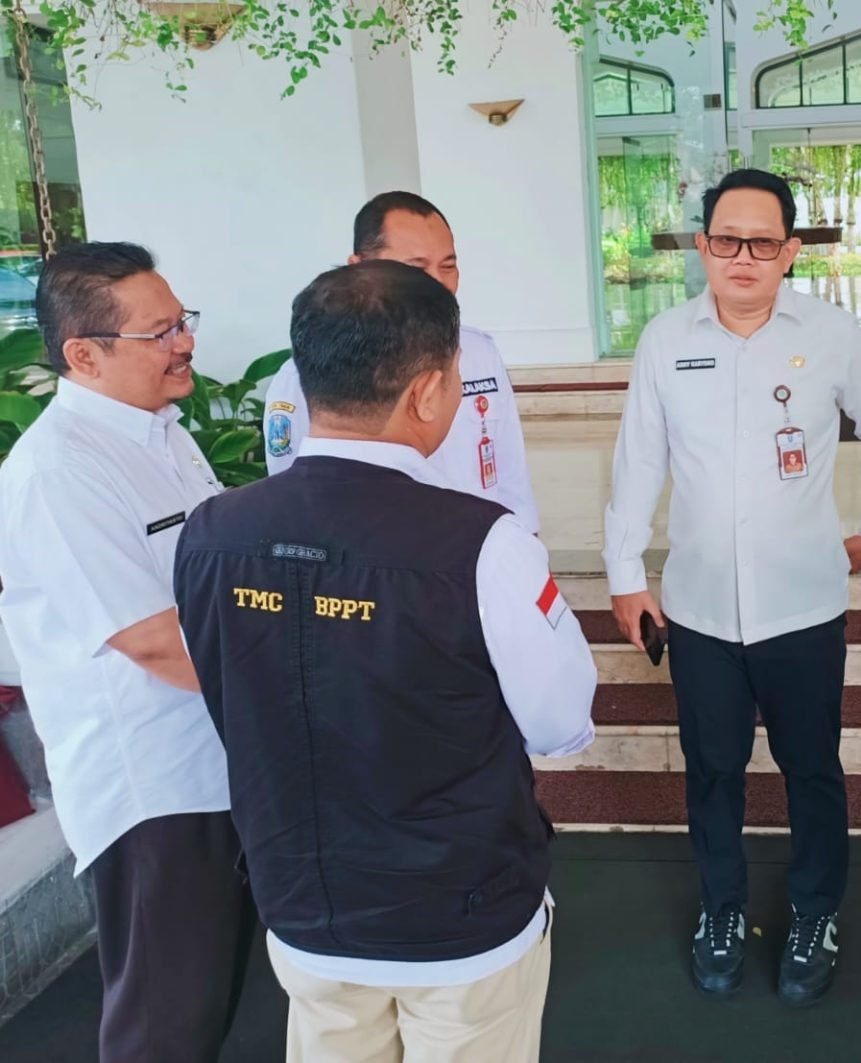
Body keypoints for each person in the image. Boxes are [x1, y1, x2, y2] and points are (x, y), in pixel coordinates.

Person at [175, 260, 597, 1062]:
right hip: (458, 915)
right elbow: (559, 722)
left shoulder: (212, 531)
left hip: (300, 903)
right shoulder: (483, 543)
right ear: (427, 391)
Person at [602, 167, 861, 1007]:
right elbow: (638, 461)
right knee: (712, 769)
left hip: (803, 603)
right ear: (703, 246)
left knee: (812, 767)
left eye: (763, 243)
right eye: (727, 240)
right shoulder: (666, 339)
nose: (744, 257)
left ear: (791, 250)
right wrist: (626, 573)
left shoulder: (832, 333)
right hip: (700, 607)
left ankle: (816, 912)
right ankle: (723, 908)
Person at [0, 242, 253, 1063]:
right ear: (84, 354)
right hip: (153, 788)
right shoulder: (56, 472)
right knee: (163, 1024)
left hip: (211, 762)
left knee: (208, 1003)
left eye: (183, 321)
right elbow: (150, 638)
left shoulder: (163, 432)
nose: (186, 342)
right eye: (160, 332)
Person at [264, 190, 540, 532]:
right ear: (359, 268)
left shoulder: (479, 353)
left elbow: (511, 478)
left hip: (477, 550)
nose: (439, 285)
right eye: (416, 269)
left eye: (448, 266)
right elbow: (298, 496)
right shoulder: (310, 373)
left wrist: (524, 542)